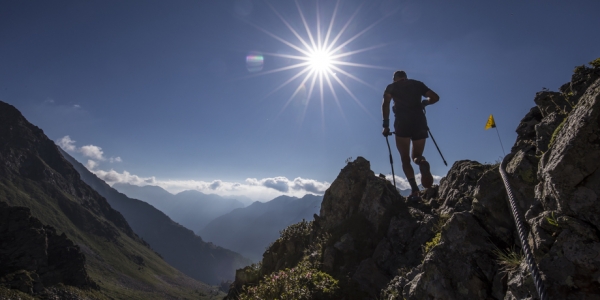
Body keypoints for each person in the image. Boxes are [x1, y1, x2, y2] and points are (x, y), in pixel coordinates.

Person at [381, 70, 439, 199]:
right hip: (420, 122)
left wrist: (386, 125)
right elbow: (435, 97)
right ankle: (422, 162)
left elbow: (386, 104)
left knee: (405, 159)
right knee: (417, 156)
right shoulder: (417, 84)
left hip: (402, 124)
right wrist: (425, 103)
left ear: (395, 78)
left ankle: (414, 189)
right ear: (405, 77)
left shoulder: (392, 87)